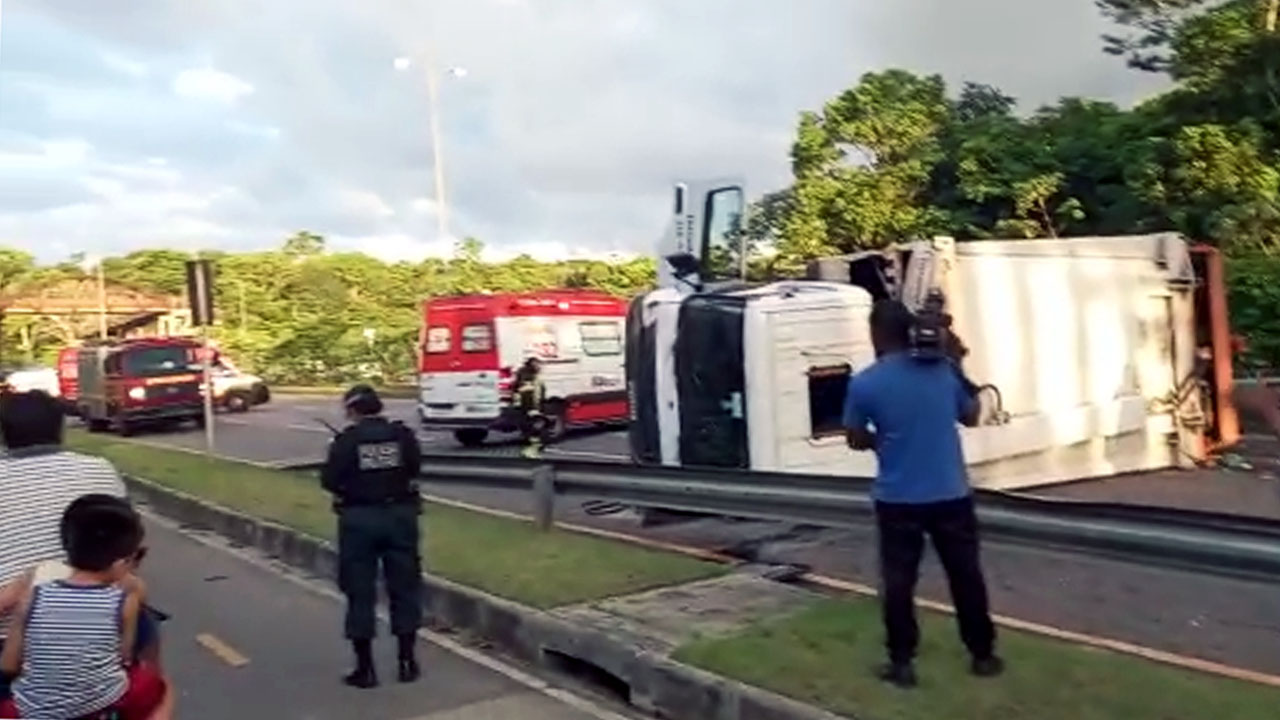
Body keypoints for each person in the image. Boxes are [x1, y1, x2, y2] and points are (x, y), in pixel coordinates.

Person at [843, 299, 1003, 688]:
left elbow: (853, 437)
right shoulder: (943, 371)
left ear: (878, 334)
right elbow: (970, 415)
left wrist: (881, 440)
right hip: (951, 493)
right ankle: (982, 655)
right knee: (965, 576)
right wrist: (956, 359)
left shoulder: (865, 382)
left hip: (897, 499)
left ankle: (902, 663)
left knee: (899, 583)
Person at [0, 390, 160, 702]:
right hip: (101, 629)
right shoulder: (99, 469)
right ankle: (148, 695)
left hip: (10, 645)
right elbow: (126, 538)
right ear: (60, 428)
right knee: (146, 631)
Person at [0, 495, 167, 720]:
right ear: (121, 563)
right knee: (154, 686)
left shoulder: (33, 596)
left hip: (32, 711)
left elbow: (9, 664)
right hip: (100, 709)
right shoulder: (122, 602)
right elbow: (123, 658)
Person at [321, 384, 424, 688]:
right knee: (405, 587)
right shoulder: (402, 436)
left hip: (359, 521)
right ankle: (407, 662)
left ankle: (365, 669)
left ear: (352, 410)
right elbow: (415, 468)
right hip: (400, 517)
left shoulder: (346, 441)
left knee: (359, 591)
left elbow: (329, 480)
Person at [514, 356, 548, 459]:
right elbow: (526, 393)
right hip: (529, 408)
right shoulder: (526, 377)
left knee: (534, 430)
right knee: (533, 430)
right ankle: (530, 451)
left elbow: (540, 392)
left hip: (533, 407)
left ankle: (532, 450)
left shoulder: (533, 376)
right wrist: (532, 409)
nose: (539, 366)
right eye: (537, 364)